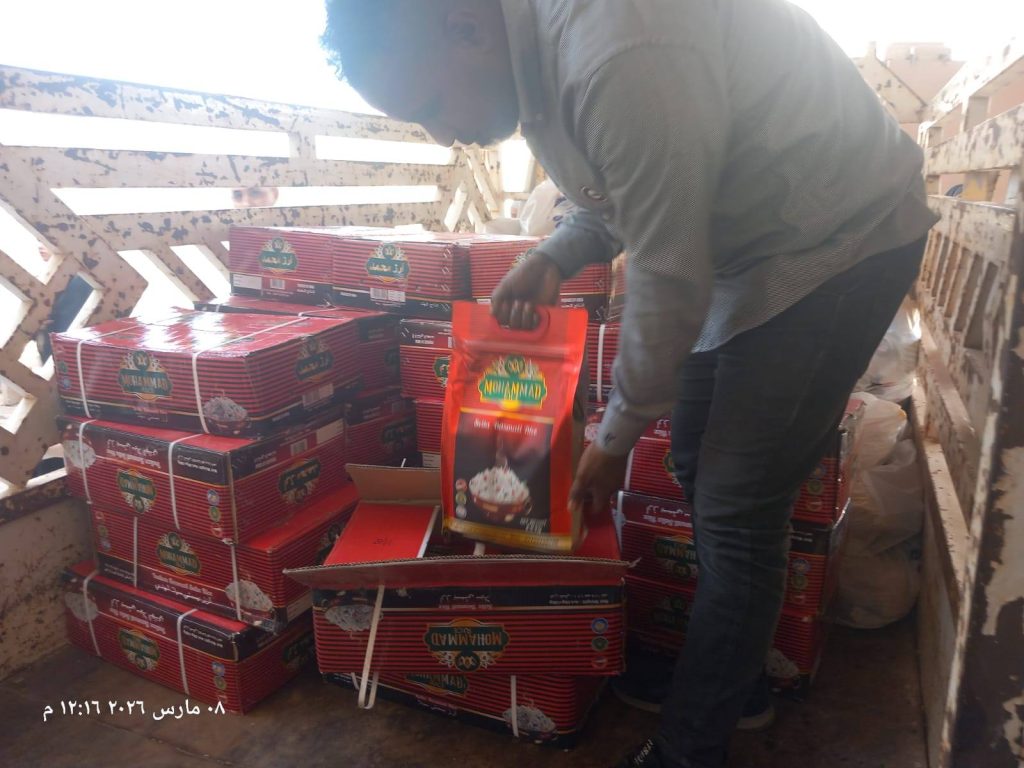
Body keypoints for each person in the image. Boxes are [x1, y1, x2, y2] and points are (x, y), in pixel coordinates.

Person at [320, 2, 938, 766]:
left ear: (466, 28)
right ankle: (731, 674)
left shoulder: (617, 48)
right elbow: (617, 195)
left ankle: (690, 745)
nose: (443, 135)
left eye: (431, 106)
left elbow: (668, 268)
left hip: (838, 240)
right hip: (746, 243)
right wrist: (550, 257)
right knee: (697, 462)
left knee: (739, 506)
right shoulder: (538, 68)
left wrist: (613, 438)